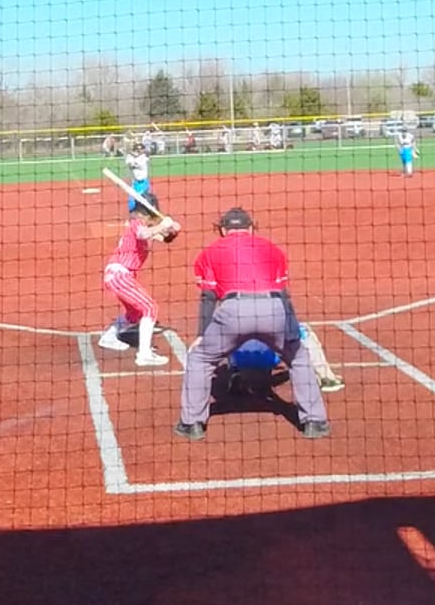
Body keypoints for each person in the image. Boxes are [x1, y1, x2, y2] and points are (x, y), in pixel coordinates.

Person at [175, 207, 330, 441]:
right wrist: (291, 334)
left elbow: (208, 297)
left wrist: (202, 335)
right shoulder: (272, 248)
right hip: (274, 308)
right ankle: (315, 422)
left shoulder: (210, 251)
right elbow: (283, 294)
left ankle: (191, 424)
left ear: (223, 230)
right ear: (250, 228)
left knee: (201, 359)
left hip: (234, 310)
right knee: (298, 358)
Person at [97, 197, 179, 368]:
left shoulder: (147, 227)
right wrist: (163, 225)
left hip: (120, 275)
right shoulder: (136, 224)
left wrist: (173, 230)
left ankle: (109, 337)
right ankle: (144, 355)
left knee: (134, 313)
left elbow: (165, 238)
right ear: (144, 214)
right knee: (150, 308)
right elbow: (144, 234)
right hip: (120, 274)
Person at [123, 142, 152, 211]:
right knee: (132, 200)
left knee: (145, 200)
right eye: (137, 149)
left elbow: (147, 153)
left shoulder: (144, 157)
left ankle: (146, 212)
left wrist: (131, 153)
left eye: (141, 149)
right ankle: (133, 213)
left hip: (144, 183)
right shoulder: (130, 157)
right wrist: (130, 153)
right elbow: (130, 164)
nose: (139, 151)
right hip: (135, 183)